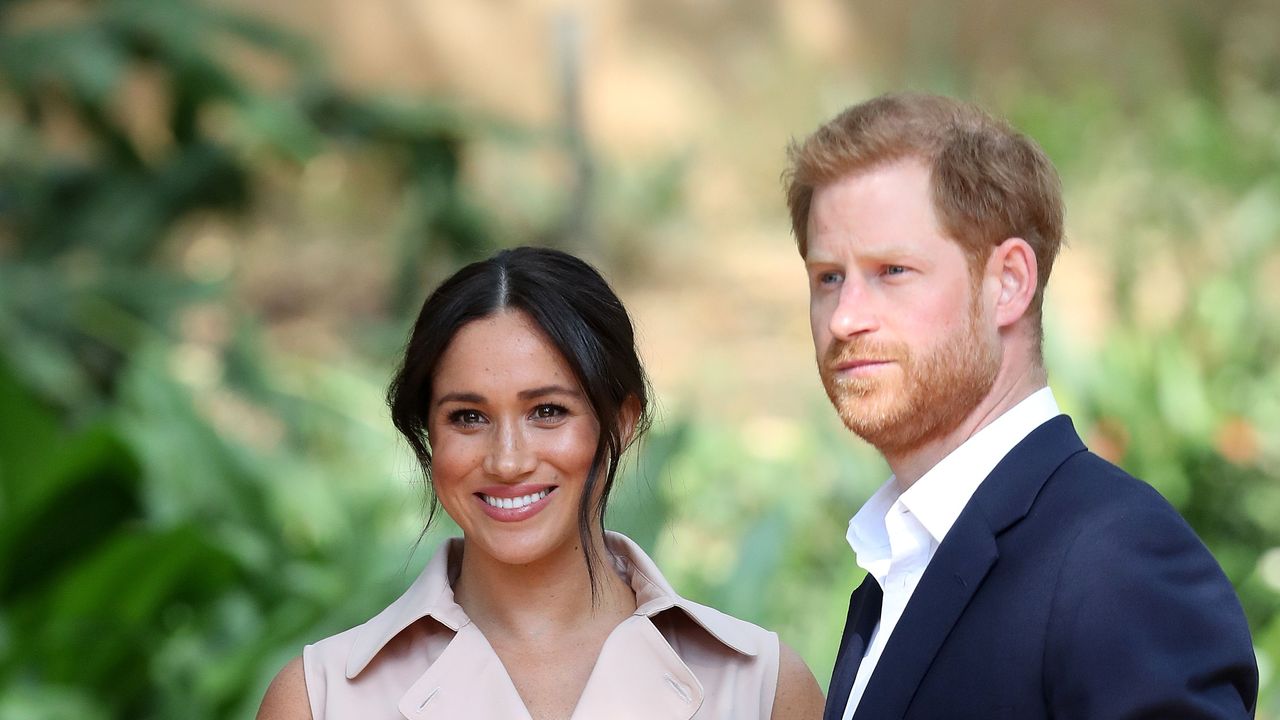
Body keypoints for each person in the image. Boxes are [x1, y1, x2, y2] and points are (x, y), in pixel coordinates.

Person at [782, 93, 1258, 719]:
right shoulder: (898, 568)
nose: (844, 318)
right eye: (828, 278)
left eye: (892, 270)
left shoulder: (1118, 561)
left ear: (1008, 282)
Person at [257, 247, 824, 720]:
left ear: (620, 422)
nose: (507, 461)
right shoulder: (319, 698)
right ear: (428, 436)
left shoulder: (761, 688)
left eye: (547, 411)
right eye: (468, 417)